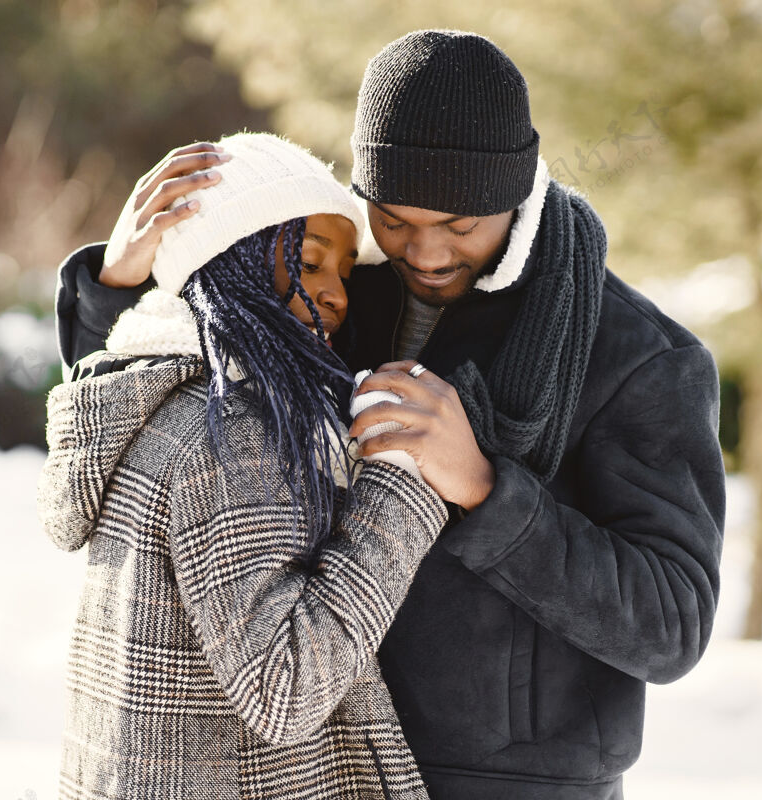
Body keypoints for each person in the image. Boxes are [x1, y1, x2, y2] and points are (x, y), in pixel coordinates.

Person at [58, 31, 726, 800]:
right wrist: (120, 286)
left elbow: (670, 627)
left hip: (507, 785)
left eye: (460, 226)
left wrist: (485, 488)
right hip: (321, 763)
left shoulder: (638, 356)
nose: (427, 253)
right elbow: (165, 391)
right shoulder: (342, 290)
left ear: (515, 194)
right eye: (397, 220)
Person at [37, 132, 449, 799]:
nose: (338, 295)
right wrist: (403, 482)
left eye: (342, 272)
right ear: (233, 260)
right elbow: (283, 690)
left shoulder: (147, 392)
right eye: (311, 263)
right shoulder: (231, 430)